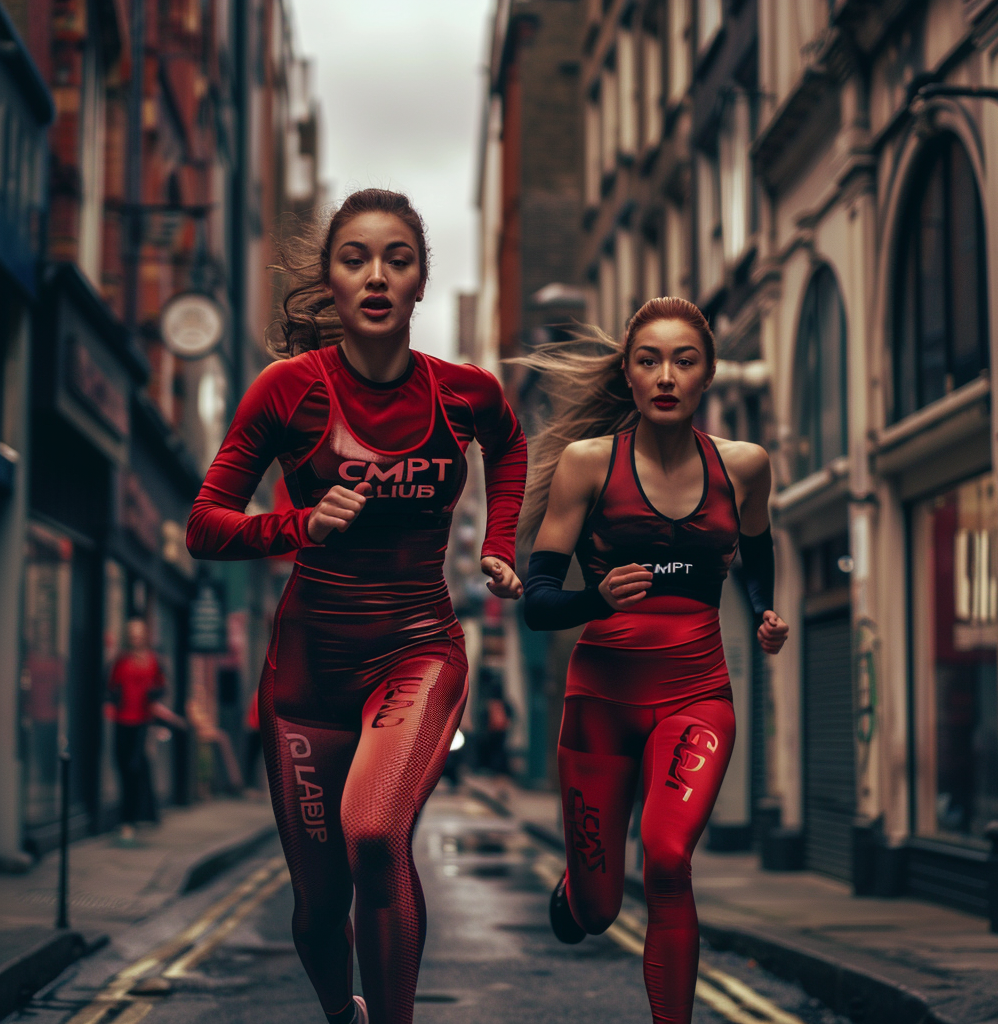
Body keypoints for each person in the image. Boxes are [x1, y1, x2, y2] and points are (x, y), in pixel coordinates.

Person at [186, 188, 526, 1024]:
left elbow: (512, 447)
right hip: (307, 675)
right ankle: (345, 1013)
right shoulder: (286, 390)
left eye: (397, 259)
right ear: (333, 282)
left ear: (419, 285)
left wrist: (502, 546)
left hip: (419, 649)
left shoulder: (465, 394)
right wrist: (297, 523)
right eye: (355, 258)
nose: (377, 275)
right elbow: (204, 524)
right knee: (316, 905)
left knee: (374, 834)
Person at [519, 297, 788, 1024]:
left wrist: (764, 609)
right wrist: (595, 599)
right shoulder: (588, 464)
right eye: (649, 361)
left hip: (696, 694)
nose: (666, 375)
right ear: (630, 376)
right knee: (602, 910)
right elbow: (538, 600)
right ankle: (579, 891)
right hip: (600, 703)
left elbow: (758, 554)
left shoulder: (744, 466)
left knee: (668, 857)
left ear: (708, 377)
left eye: (683, 360)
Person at [107, 618, 169, 844]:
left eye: (139, 634)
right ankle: (133, 817)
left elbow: (162, 686)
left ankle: (129, 820)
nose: (135, 638)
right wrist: (114, 698)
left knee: (135, 768)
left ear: (145, 636)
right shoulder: (120, 661)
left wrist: (153, 694)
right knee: (123, 768)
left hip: (143, 722)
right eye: (132, 634)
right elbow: (110, 686)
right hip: (121, 721)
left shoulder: (153, 661)